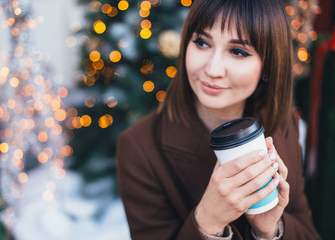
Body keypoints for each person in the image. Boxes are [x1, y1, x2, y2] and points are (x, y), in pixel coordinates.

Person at [116, 0, 321, 239]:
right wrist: (208, 221)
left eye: (238, 51)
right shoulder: (139, 146)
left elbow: (306, 229)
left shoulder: (283, 123)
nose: (213, 69)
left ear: (267, 66)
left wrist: (270, 230)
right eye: (202, 43)